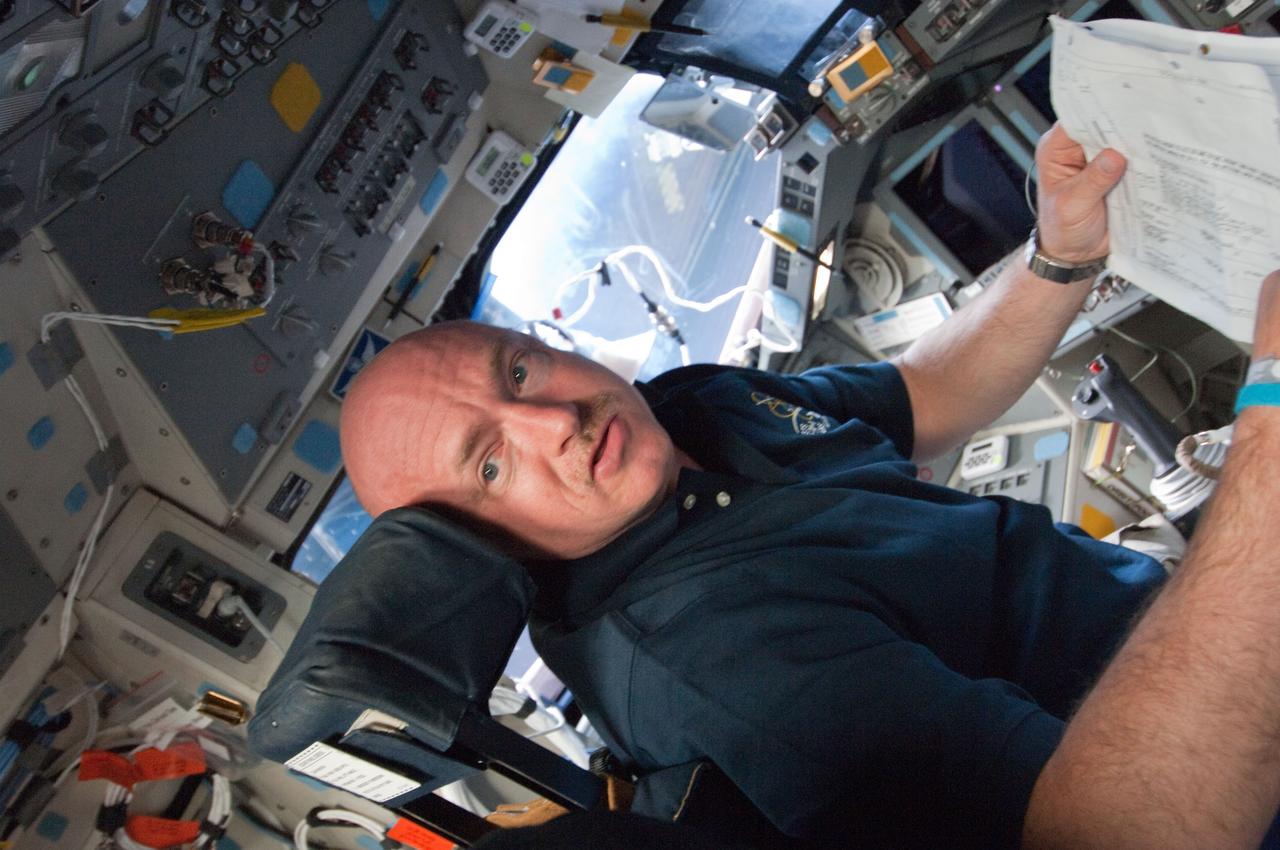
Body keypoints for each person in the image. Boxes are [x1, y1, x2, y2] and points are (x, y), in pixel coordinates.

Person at [339, 125, 1280, 849]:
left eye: (518, 372)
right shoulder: (709, 662)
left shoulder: (688, 406)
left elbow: (921, 394)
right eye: (491, 463)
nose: (553, 422)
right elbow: (1115, 833)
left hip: (1193, 641)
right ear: (477, 549)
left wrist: (1060, 255)